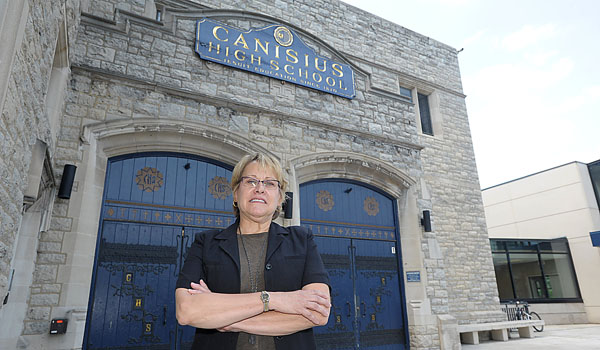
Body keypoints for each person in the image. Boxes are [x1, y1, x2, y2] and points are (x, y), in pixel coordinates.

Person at [175, 153, 331, 349]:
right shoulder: (206, 243)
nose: (259, 189)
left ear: (280, 197)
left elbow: (317, 313)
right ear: (235, 193)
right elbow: (186, 311)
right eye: (250, 181)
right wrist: (276, 300)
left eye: (270, 183)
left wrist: (226, 320)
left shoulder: (302, 240)